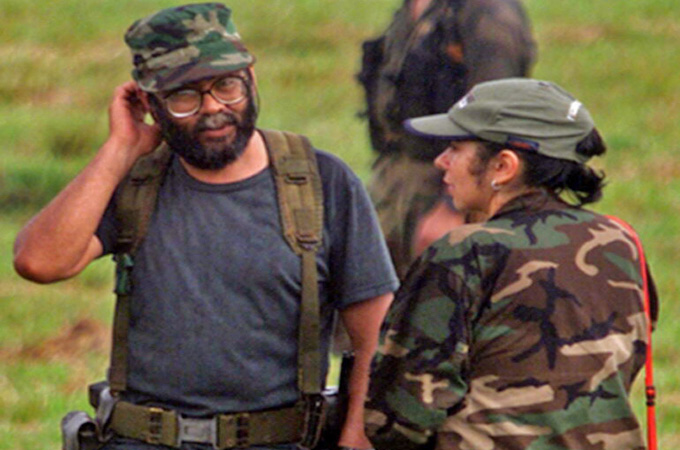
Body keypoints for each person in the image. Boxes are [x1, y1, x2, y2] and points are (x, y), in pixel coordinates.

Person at [13, 3, 398, 450]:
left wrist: (356, 436)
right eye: (184, 96)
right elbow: (40, 262)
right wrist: (120, 148)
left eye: (226, 86)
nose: (213, 108)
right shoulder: (137, 180)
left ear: (251, 79)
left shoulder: (321, 183)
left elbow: (376, 335)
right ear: (150, 103)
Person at [365, 78, 658, 449]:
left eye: (455, 148)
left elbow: (401, 417)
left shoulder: (465, 251)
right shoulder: (621, 241)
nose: (441, 161)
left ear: (503, 166)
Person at [357, 0, 536, 279]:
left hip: (449, 187)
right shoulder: (415, 9)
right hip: (395, 185)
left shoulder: (488, 11)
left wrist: (451, 210)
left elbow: (495, 117)